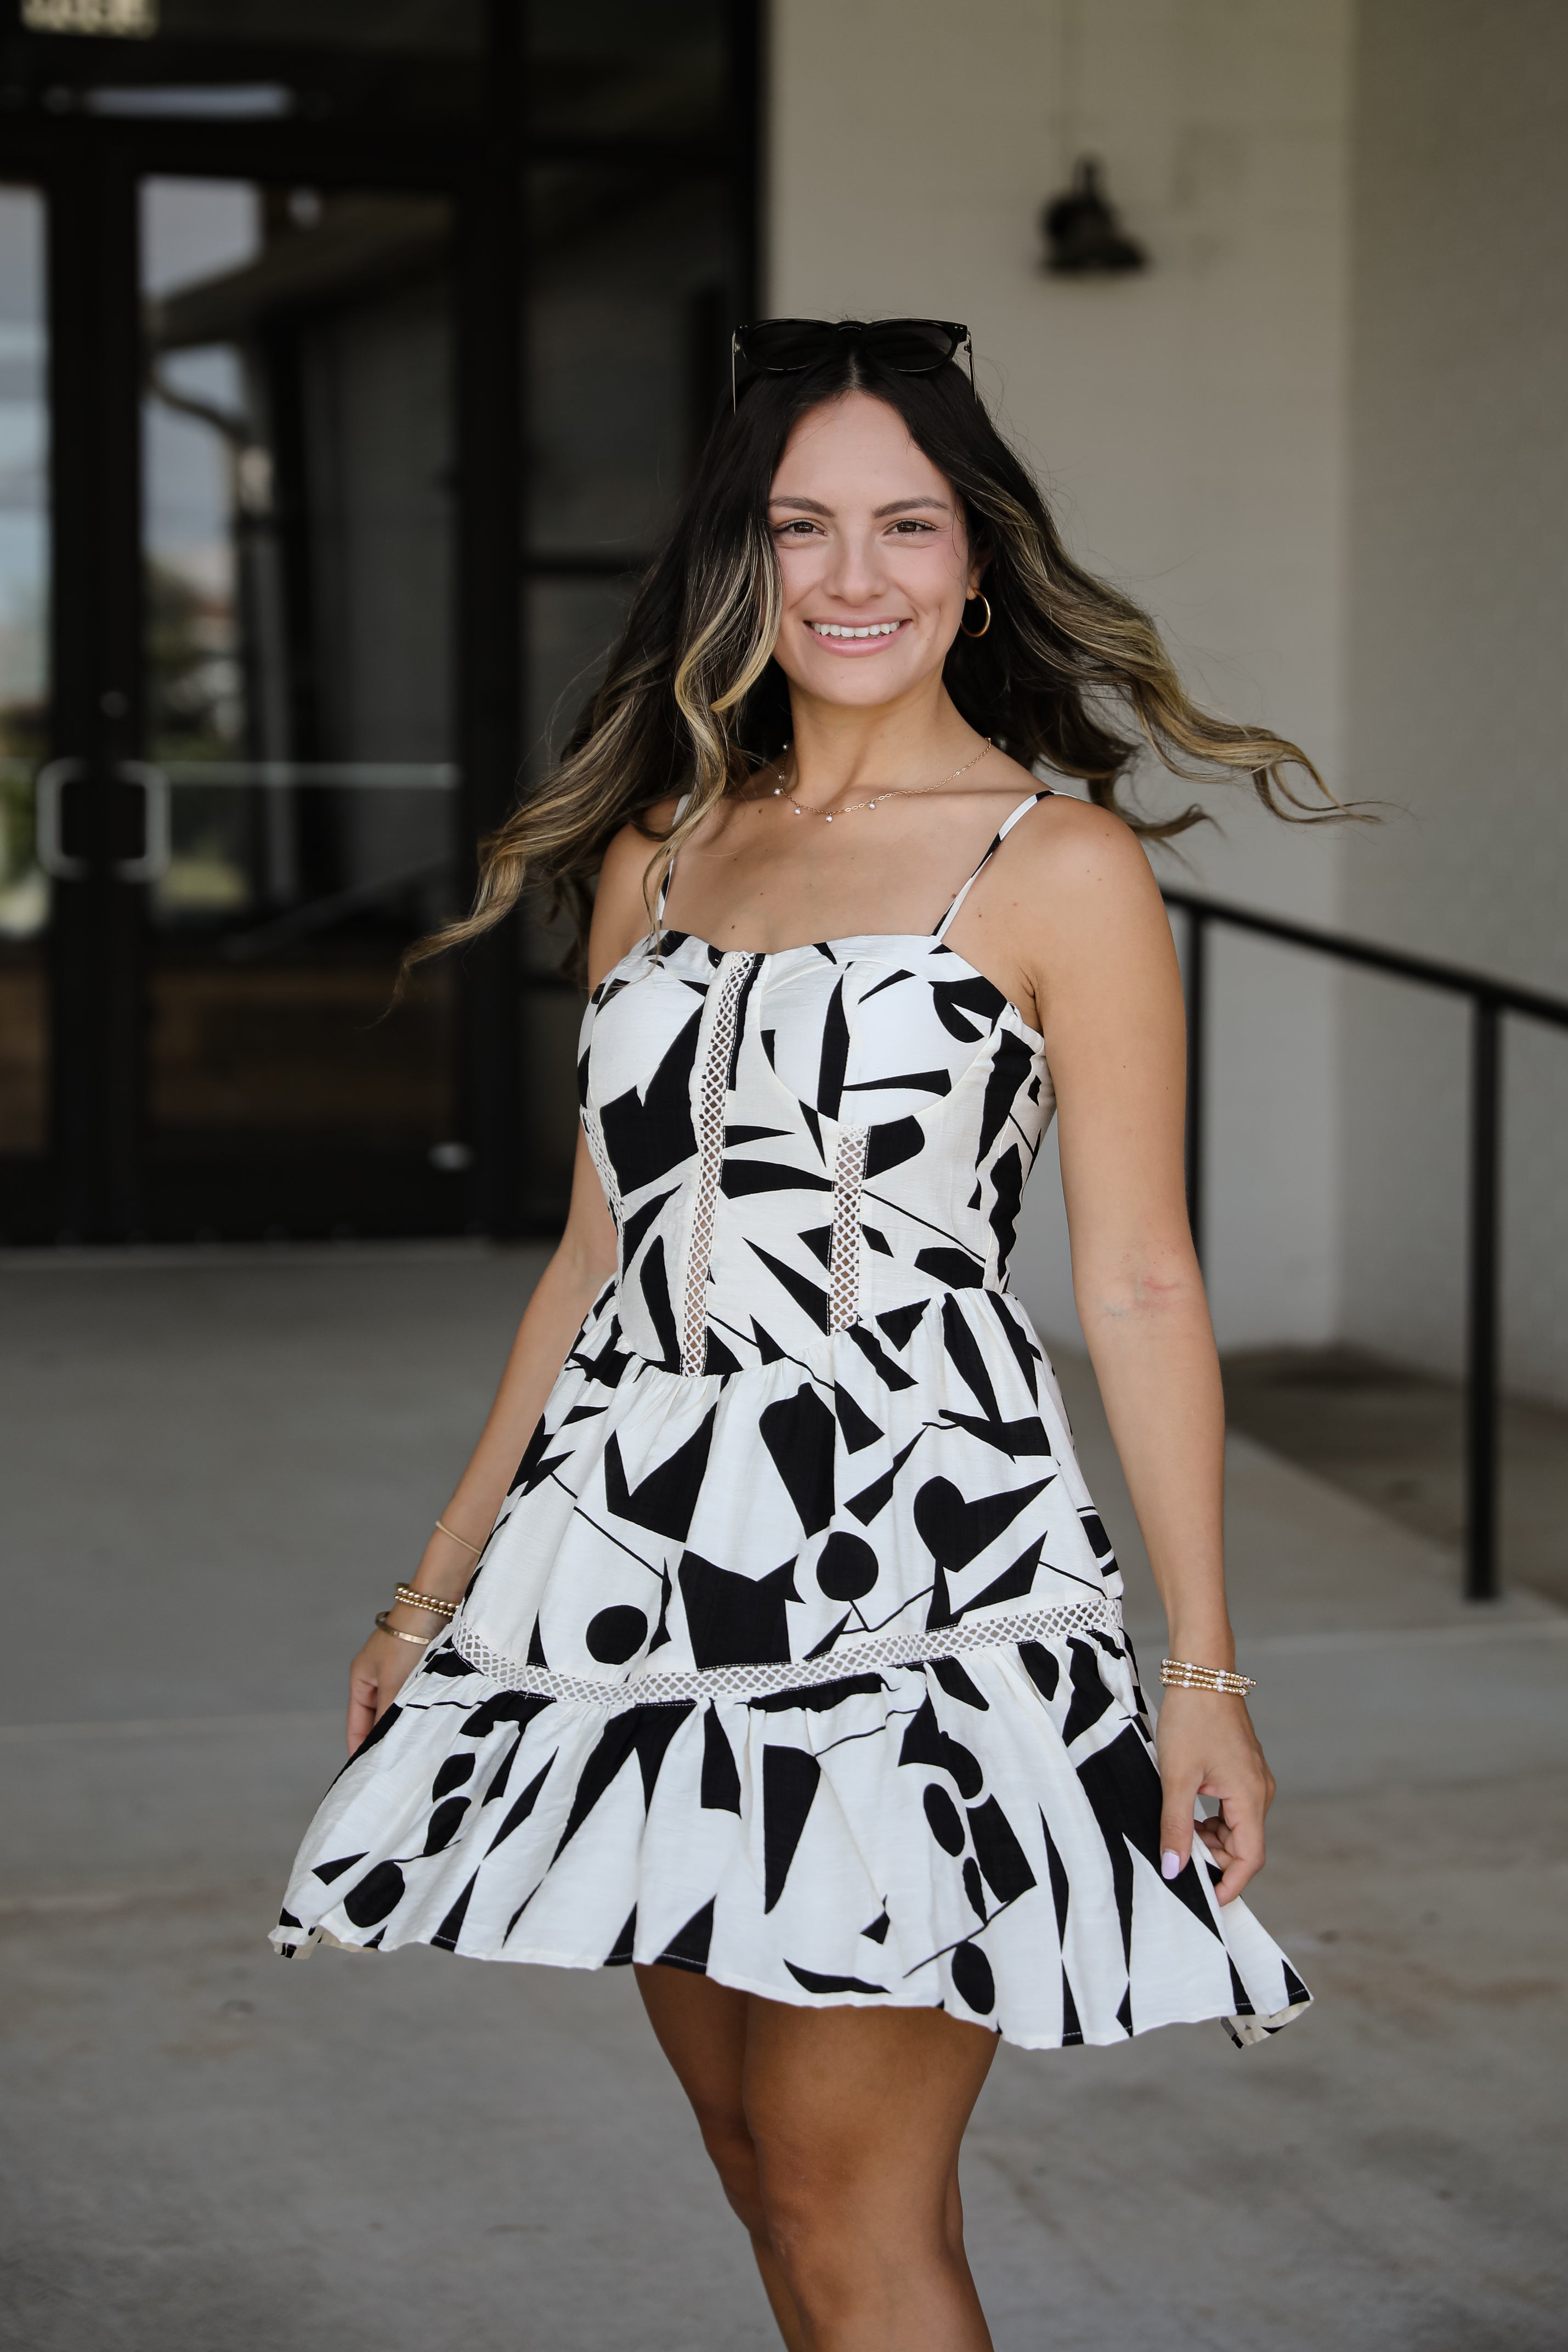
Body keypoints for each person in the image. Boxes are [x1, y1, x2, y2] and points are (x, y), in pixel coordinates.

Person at [275, 318, 1326, 2351]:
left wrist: (1195, 1668)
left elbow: (1134, 1281)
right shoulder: (654, 855)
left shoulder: (1060, 865)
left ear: (978, 560)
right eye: (799, 527)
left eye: (905, 525)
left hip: (920, 1583)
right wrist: (434, 1588)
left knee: (855, 2210)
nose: (854, 577)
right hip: (642, 1579)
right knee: (763, 2173)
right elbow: (594, 1256)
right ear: (734, 566)